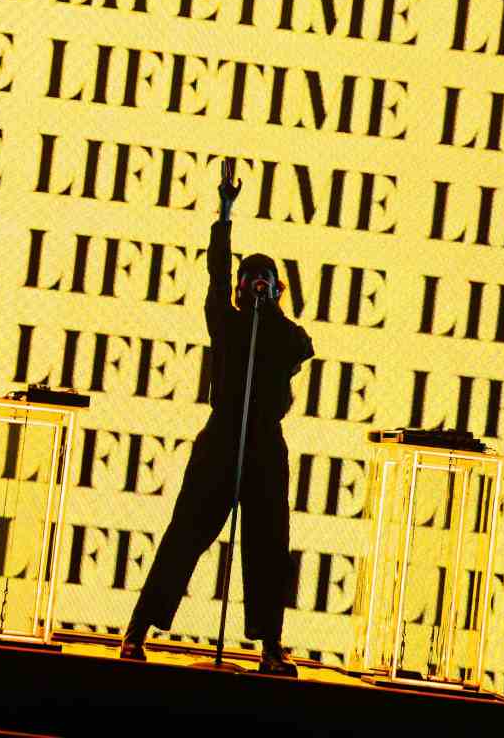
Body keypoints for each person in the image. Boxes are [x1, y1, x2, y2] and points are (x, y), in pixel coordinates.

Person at [120, 158, 314, 676]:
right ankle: (138, 629)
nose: (255, 284)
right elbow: (216, 273)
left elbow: (301, 346)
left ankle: (270, 646)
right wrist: (225, 215)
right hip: (222, 439)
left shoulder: (286, 335)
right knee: (186, 532)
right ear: (239, 287)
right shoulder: (225, 323)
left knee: (268, 544)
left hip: (265, 444)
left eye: (265, 279)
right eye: (249, 278)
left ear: (276, 289)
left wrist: (269, 309)